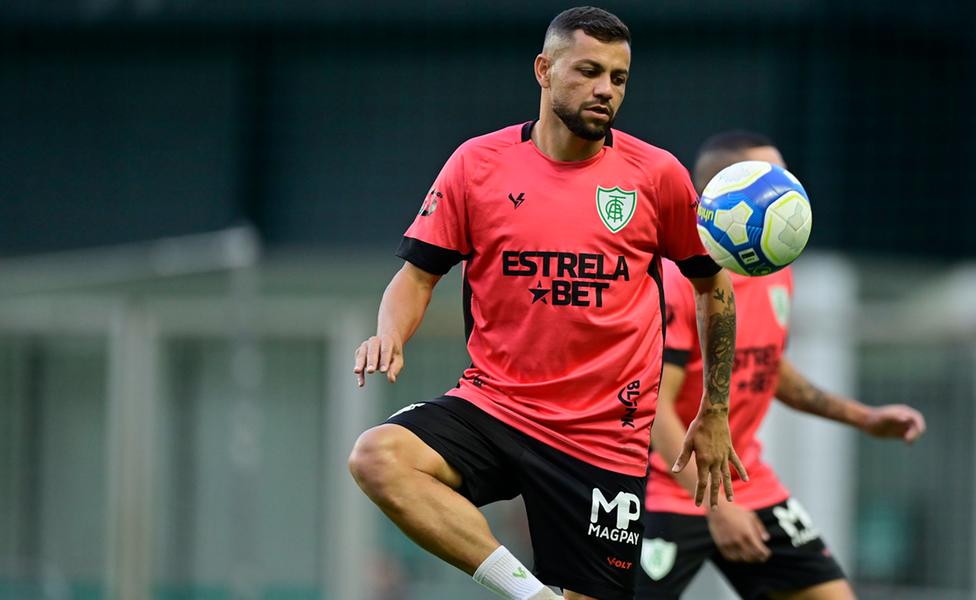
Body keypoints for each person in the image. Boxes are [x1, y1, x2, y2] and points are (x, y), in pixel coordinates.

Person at [347, 8, 746, 600]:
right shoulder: (477, 165)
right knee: (378, 458)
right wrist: (391, 332)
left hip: (604, 436)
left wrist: (714, 411)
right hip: (497, 406)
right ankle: (531, 596)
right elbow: (416, 277)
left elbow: (715, 287)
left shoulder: (655, 175)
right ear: (544, 69)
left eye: (618, 78)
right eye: (589, 71)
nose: (605, 90)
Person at [635, 131, 927, 600]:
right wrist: (714, 507)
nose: (785, 188)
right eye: (768, 176)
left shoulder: (774, 269)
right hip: (665, 487)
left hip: (745, 482)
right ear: (719, 195)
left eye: (785, 175)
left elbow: (763, 366)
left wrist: (864, 418)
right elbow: (654, 409)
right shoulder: (677, 279)